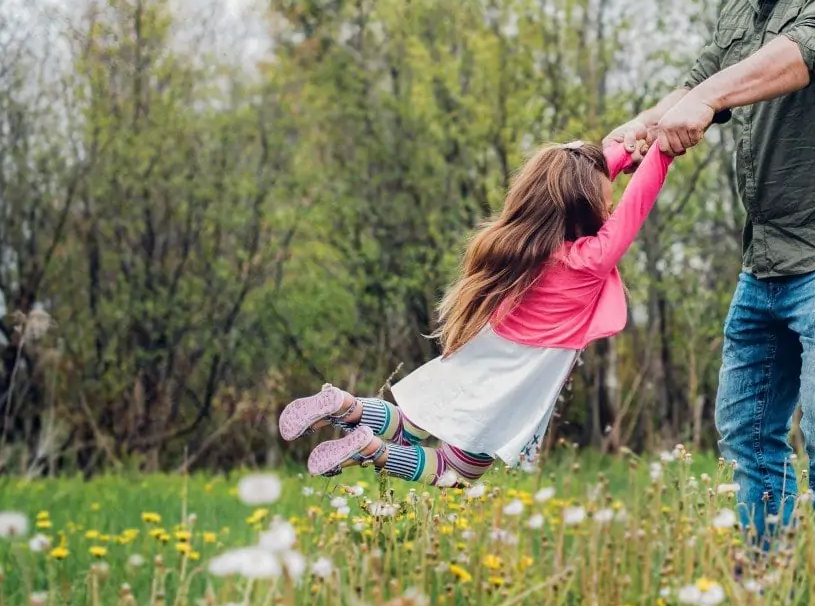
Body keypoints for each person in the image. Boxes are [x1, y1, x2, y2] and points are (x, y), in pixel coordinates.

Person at [605, 0, 815, 553]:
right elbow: (700, 83)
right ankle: (767, 582)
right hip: (764, 260)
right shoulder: (744, 9)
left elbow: (800, 55)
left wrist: (707, 100)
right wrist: (640, 127)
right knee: (746, 432)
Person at [278, 138, 677, 486]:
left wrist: (624, 153)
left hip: (485, 352)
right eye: (603, 206)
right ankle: (368, 448)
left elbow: (571, 177)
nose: (608, 213)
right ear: (586, 209)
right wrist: (663, 148)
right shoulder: (588, 260)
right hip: (519, 377)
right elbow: (635, 203)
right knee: (457, 472)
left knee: (413, 421)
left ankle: (346, 406)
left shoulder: (530, 249)